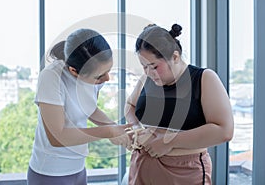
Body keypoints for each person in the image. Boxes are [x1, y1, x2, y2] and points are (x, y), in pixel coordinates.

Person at [124, 24, 234, 185]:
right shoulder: (147, 79)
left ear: (175, 57)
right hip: (141, 164)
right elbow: (130, 106)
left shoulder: (204, 78)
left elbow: (224, 130)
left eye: (154, 66)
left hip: (184, 171)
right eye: (144, 67)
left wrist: (169, 141)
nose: (148, 72)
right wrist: (135, 128)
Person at [27, 28, 132, 185]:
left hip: (78, 169)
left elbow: (89, 109)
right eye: (100, 76)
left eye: (108, 71)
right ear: (74, 71)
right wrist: (109, 132)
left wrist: (116, 128)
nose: (107, 78)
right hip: (50, 173)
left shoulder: (94, 75)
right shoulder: (51, 77)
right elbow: (57, 137)